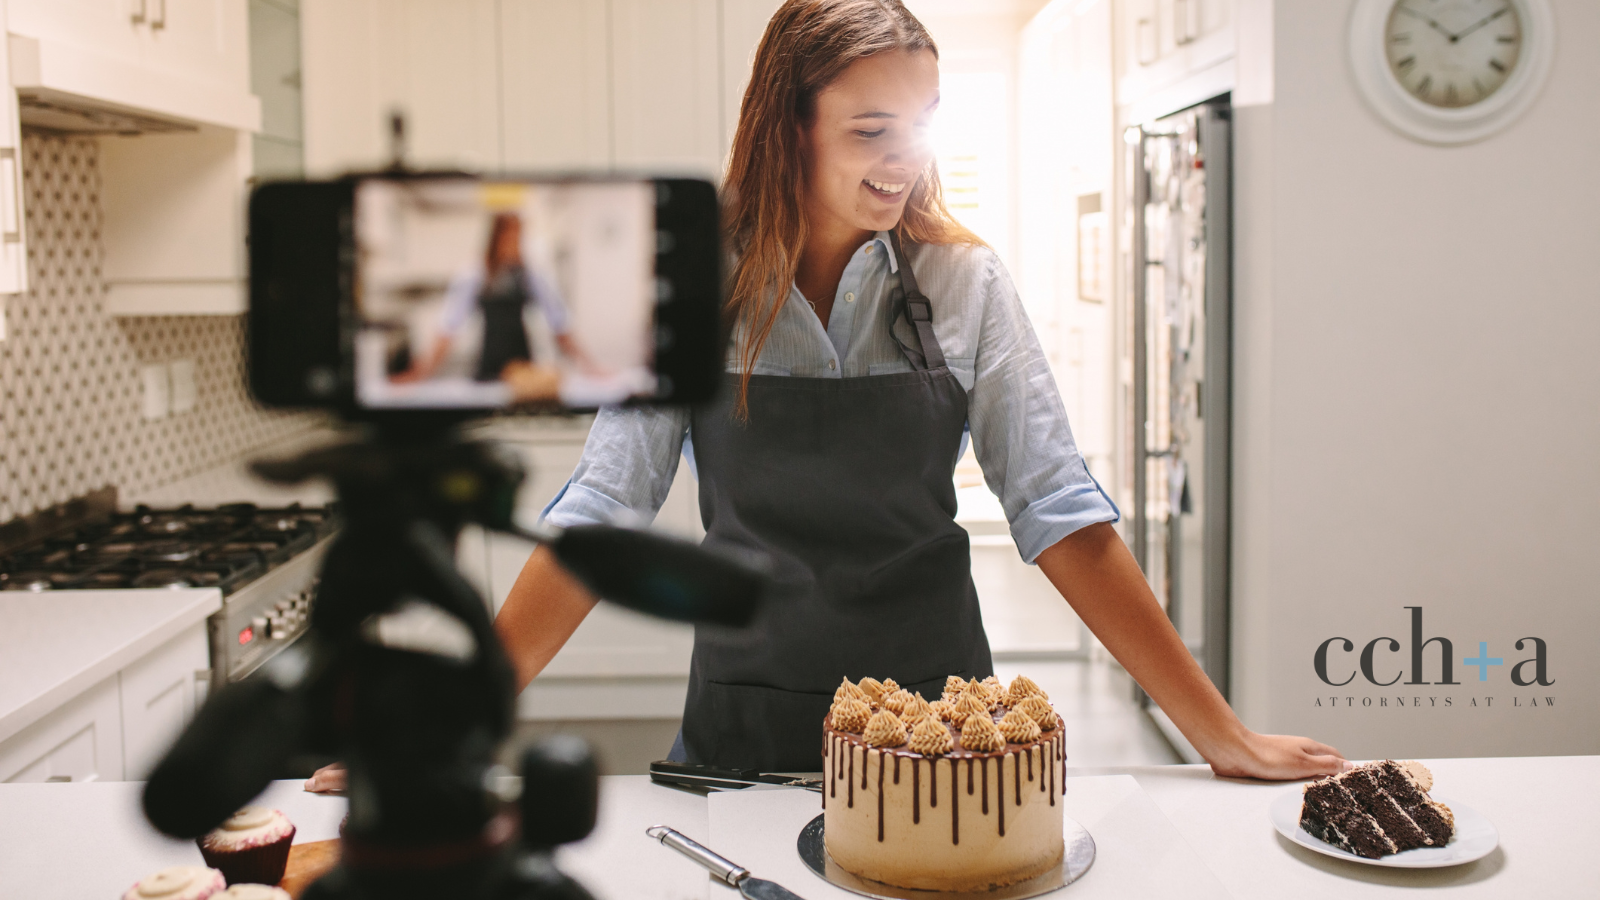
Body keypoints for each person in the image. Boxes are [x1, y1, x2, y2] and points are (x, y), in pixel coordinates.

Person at [308, 0, 1343, 792]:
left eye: (921, 127)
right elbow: (603, 510)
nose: (902, 163)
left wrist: (1218, 731)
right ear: (787, 128)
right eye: (869, 132)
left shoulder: (962, 281)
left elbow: (1058, 508)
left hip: (940, 726)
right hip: (745, 725)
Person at [390, 212, 576, 391]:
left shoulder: (531, 275)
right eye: (510, 237)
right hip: (488, 369)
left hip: (522, 372)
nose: (515, 244)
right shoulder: (475, 274)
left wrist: (590, 368)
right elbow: (448, 327)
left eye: (518, 237)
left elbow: (559, 323)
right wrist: (419, 374)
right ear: (496, 239)